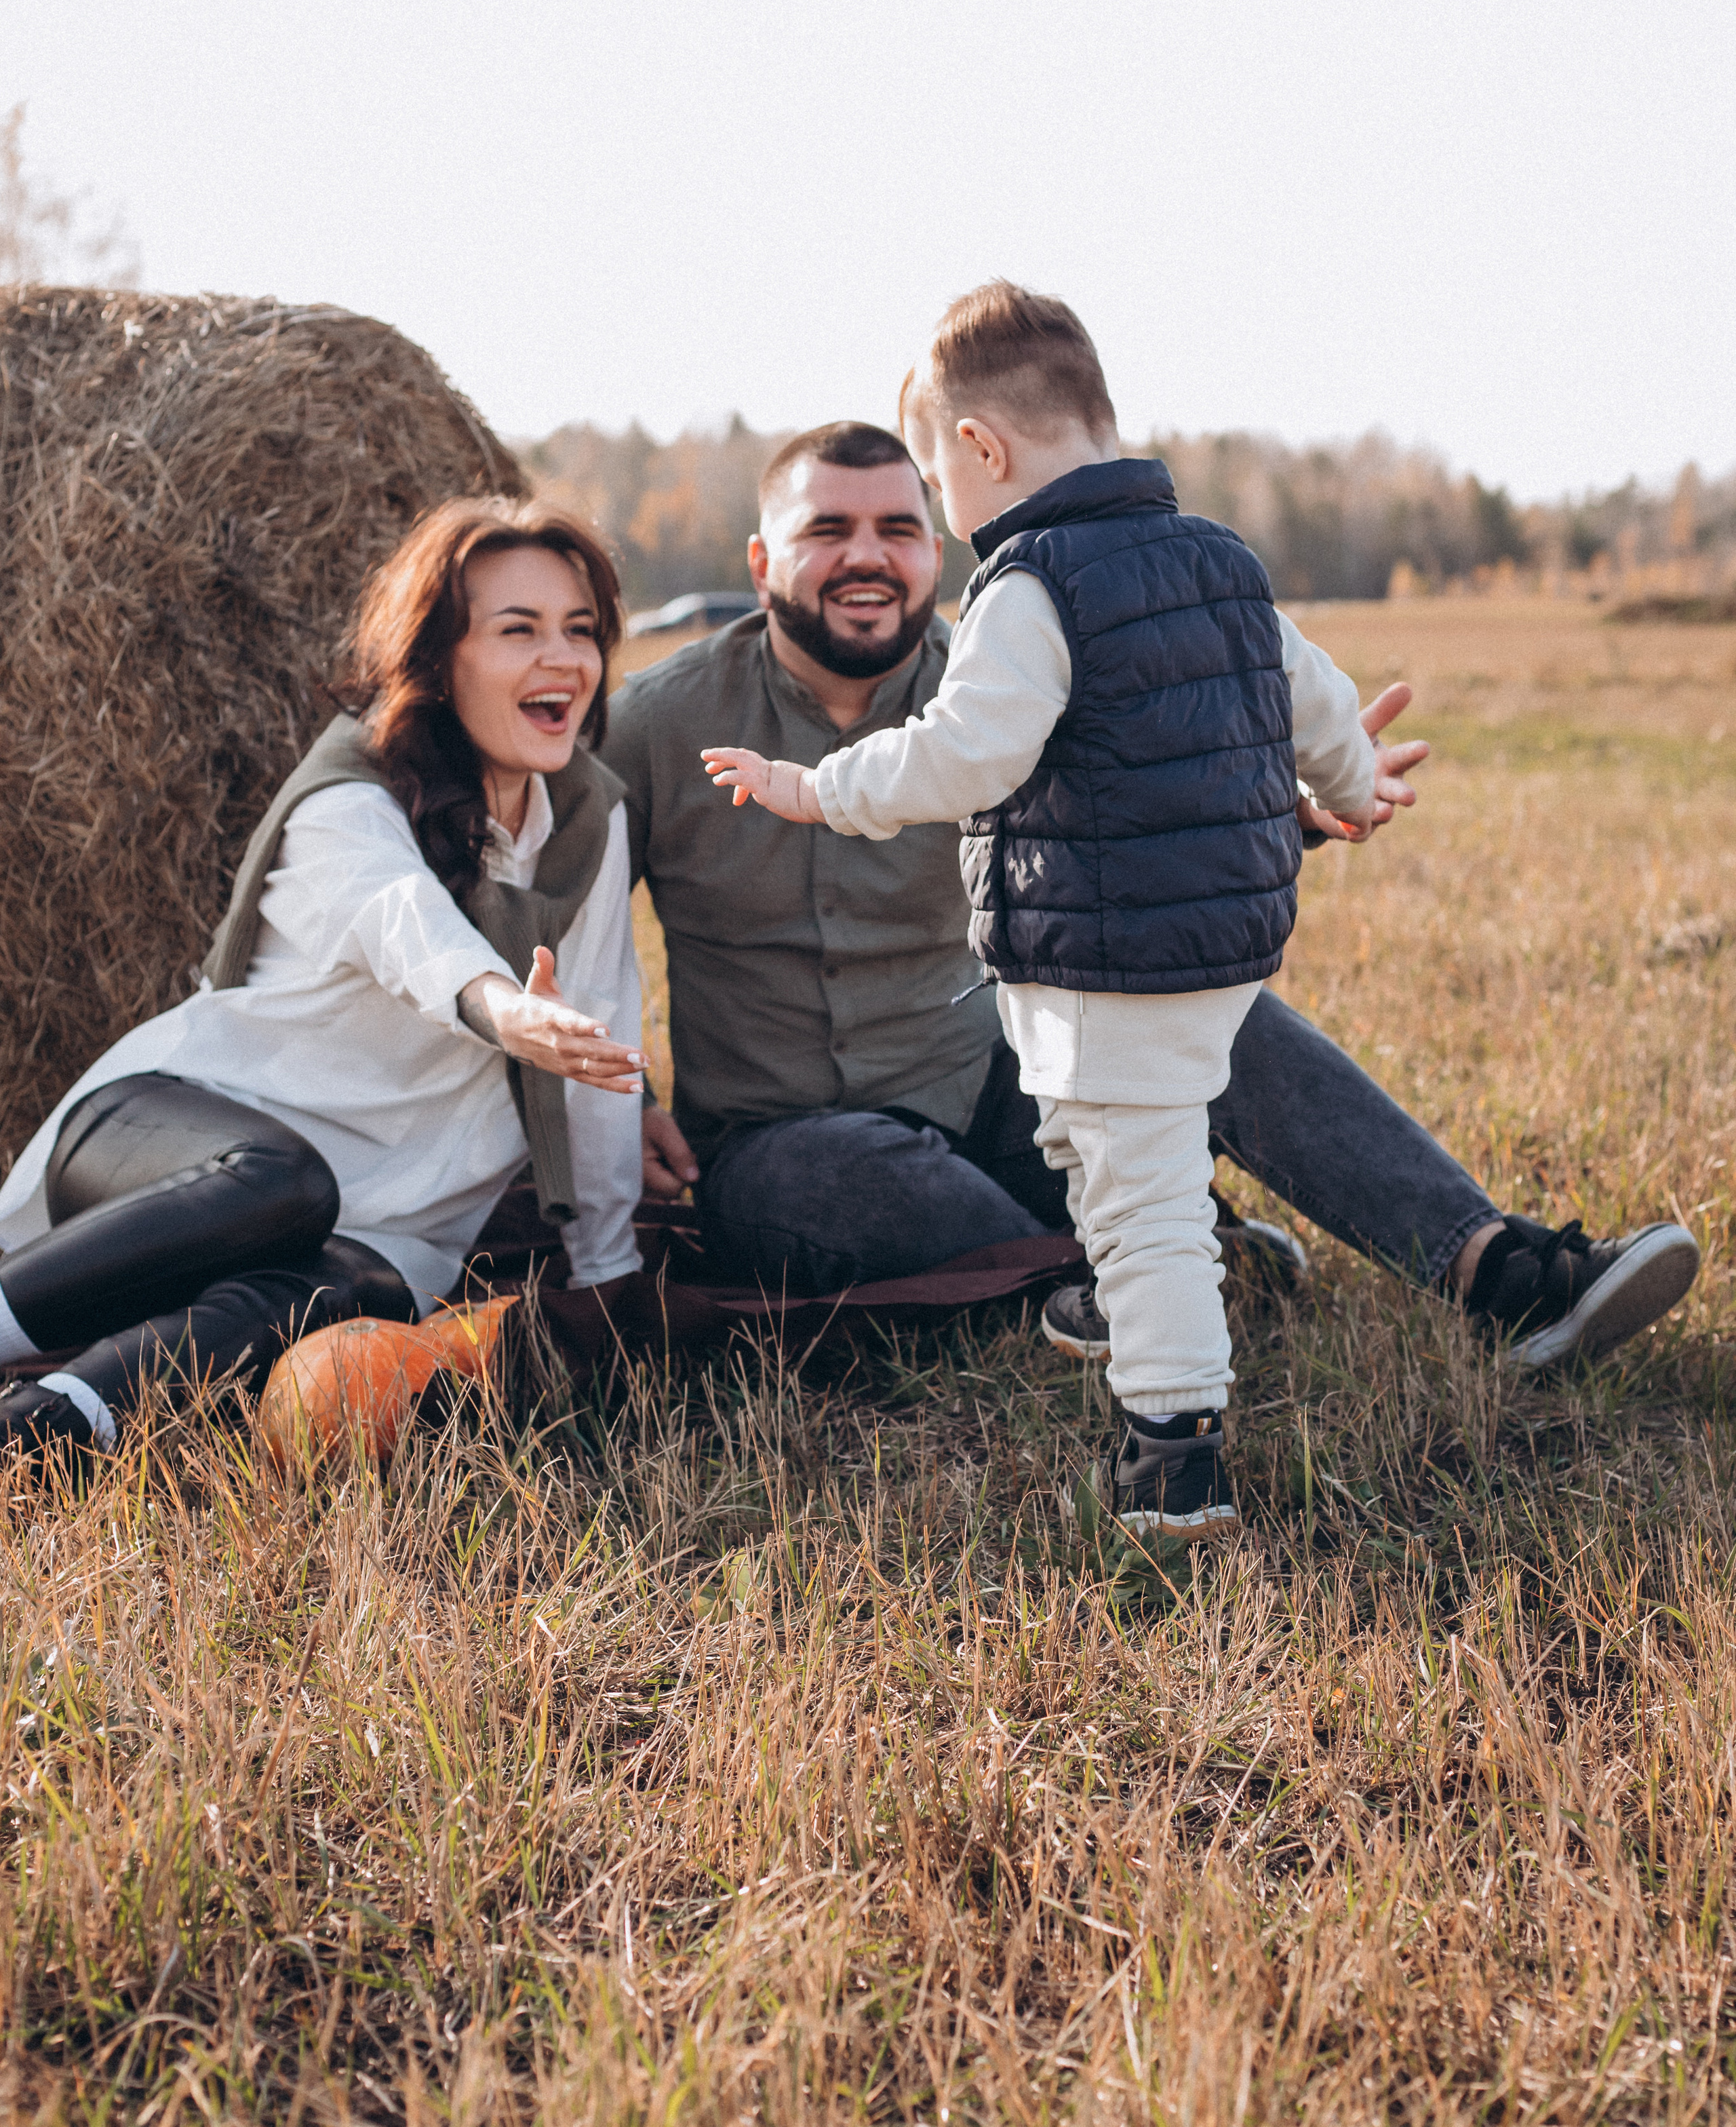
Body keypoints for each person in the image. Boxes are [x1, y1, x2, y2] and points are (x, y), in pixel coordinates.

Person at [608, 326, 1698, 1456]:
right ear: (759, 561)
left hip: (997, 1090)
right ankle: (1164, 1260)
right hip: (788, 1137)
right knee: (835, 1187)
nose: (868, 555)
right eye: (828, 531)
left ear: (936, 540)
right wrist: (624, 1094)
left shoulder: (1010, 663)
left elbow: (1140, 827)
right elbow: (563, 910)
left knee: (1209, 1017)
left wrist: (1292, 808)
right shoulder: (659, 719)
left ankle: (1501, 1268)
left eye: (898, 524)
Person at [0, 497, 648, 1460]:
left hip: (387, 1222)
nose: (565, 659)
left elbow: (599, 1057)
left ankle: (43, 1433)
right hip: (168, 1144)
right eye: (520, 630)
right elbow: (407, 927)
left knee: (334, 1290)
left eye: (581, 630)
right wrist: (501, 1007)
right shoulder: (348, 797)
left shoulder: (588, 819)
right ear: (439, 657)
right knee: (282, 1183)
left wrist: (606, 1274)